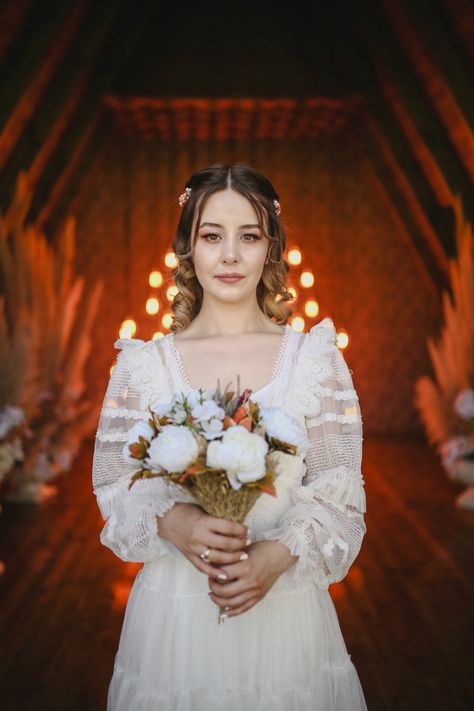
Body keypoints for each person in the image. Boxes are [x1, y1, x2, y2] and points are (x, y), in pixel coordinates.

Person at [92, 162, 368, 710]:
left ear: (270, 248)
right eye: (212, 236)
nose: (230, 255)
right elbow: (114, 484)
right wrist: (175, 520)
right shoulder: (144, 367)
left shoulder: (314, 361)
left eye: (249, 236)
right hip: (177, 618)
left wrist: (280, 552)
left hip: (287, 617)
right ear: (187, 248)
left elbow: (343, 493)